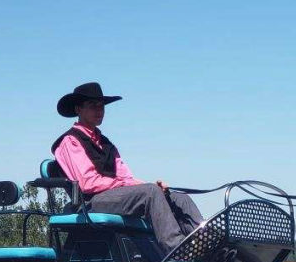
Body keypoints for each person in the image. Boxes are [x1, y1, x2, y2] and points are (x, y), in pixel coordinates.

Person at [51, 82, 204, 251]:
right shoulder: (70, 141)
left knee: (176, 197)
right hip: (89, 203)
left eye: (101, 106)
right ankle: (178, 249)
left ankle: (204, 242)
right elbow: (87, 183)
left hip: (114, 198)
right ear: (78, 109)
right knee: (150, 193)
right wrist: (136, 186)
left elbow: (126, 177)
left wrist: (152, 186)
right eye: (92, 106)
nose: (99, 110)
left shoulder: (106, 143)